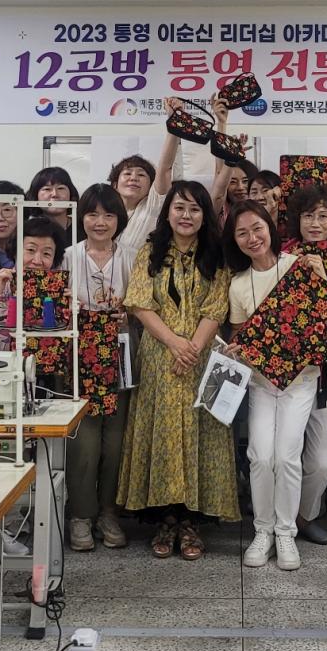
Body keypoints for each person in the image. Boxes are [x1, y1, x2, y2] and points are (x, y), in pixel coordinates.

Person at [117, 181, 236, 559]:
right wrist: (173, 343)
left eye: (195, 209)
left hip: (203, 357)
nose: (187, 215)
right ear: (167, 212)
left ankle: (191, 523)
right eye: (180, 207)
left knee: (202, 433)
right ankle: (166, 520)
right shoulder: (150, 251)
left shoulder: (216, 255)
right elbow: (139, 303)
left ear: (205, 216)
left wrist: (193, 347)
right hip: (159, 356)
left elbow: (216, 307)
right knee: (164, 434)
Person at [226, 202, 327, 571]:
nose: (252, 238)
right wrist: (236, 349)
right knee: (260, 455)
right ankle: (262, 531)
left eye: (257, 228)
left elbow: (326, 312)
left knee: (286, 456)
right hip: (260, 381)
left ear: (270, 228)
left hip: (301, 380)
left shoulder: (298, 265)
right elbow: (240, 334)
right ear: (234, 241)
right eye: (242, 233)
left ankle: (286, 532)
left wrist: (320, 273)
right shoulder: (238, 284)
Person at [63, 184, 135, 552]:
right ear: (82, 218)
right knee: (84, 442)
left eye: (108, 214)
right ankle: (80, 515)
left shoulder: (132, 257)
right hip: (81, 359)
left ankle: (109, 512)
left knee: (116, 440)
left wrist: (128, 313)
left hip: (121, 355)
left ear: (119, 219)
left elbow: (144, 306)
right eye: (92, 214)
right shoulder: (68, 256)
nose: (100, 222)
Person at [283, 183, 327, 545]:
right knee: (285, 452)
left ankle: (305, 517)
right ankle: (280, 519)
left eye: (323, 216)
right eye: (308, 215)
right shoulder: (281, 255)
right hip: (288, 372)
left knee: (323, 461)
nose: (315, 223)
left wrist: (323, 277)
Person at [0, 214, 67, 345]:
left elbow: (65, 345)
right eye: (31, 250)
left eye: (46, 254)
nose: (37, 261)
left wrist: (70, 314)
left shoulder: (58, 293)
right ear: (15, 251)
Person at [108, 109, 186, 255]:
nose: (133, 178)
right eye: (127, 173)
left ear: (151, 186)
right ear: (114, 184)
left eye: (141, 174)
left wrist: (174, 121)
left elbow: (165, 168)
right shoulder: (104, 212)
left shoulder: (153, 206)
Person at [27, 167, 81, 241]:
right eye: (47, 189)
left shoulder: (84, 227)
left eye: (60, 188)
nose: (55, 194)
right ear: (35, 196)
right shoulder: (26, 230)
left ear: (71, 193)